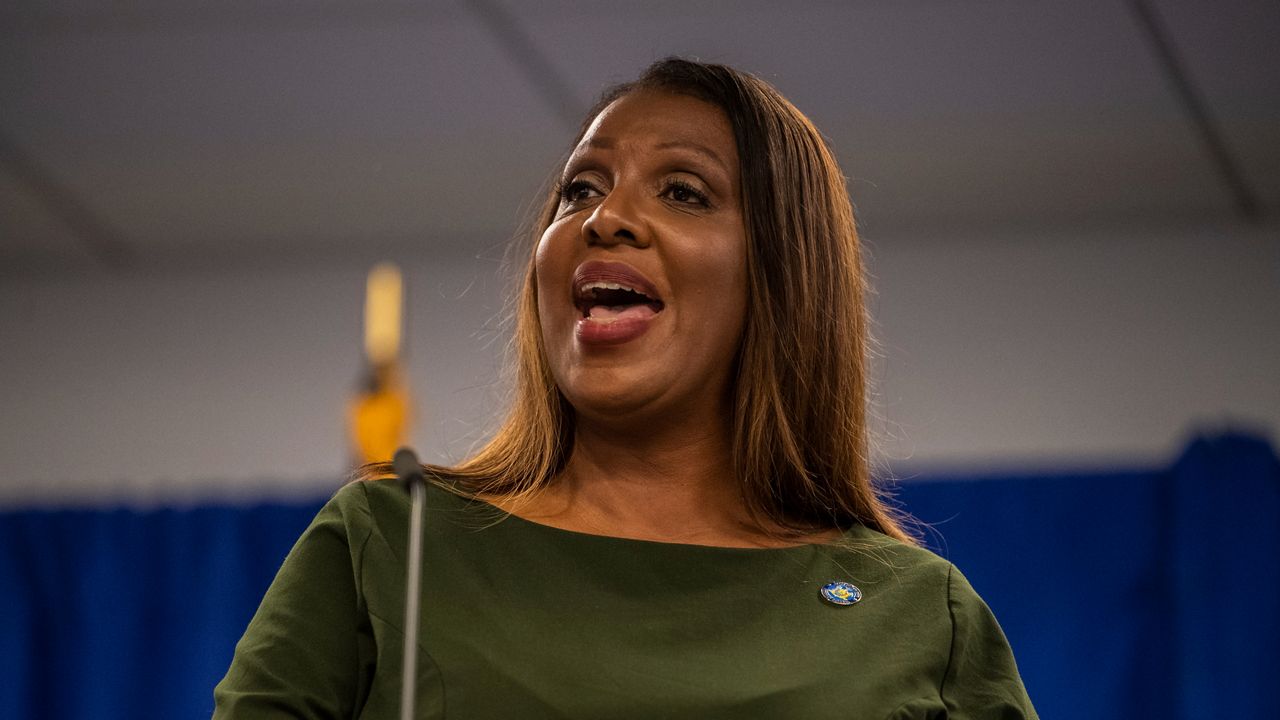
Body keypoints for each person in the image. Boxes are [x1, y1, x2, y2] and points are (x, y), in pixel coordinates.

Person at [214, 58, 1038, 719]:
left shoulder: (919, 616)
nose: (604, 218)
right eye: (581, 189)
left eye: (684, 191)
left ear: (782, 273)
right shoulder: (394, 544)